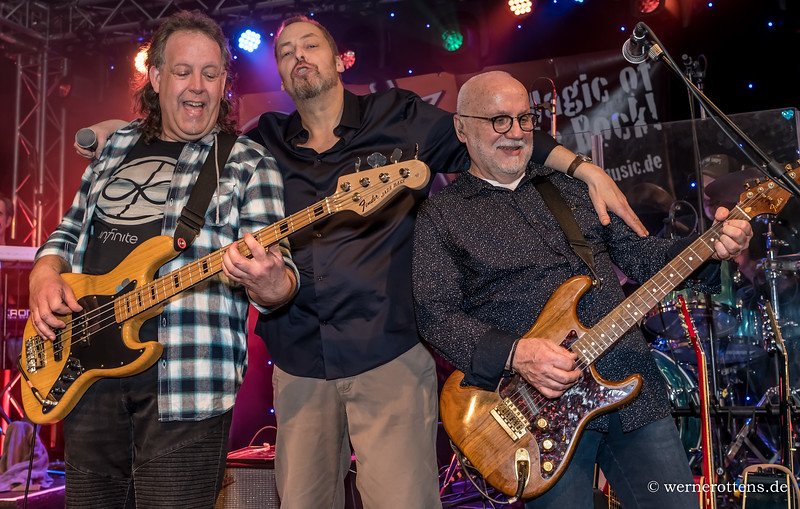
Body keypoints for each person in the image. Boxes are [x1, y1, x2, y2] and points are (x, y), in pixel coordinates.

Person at [78, 16, 649, 508]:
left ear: (339, 59)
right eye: (285, 52)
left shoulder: (399, 116)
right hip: (298, 363)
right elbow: (187, 136)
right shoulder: (262, 141)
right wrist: (115, 133)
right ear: (279, 75)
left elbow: (493, 136)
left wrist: (582, 167)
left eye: (311, 45)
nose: (299, 56)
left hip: (387, 356)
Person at [412, 71, 753, 508]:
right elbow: (436, 316)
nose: (515, 133)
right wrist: (518, 354)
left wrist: (711, 247)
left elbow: (640, 257)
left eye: (524, 119)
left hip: (630, 389)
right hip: (535, 415)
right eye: (499, 120)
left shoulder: (572, 187)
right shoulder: (441, 216)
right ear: (462, 128)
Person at [28, 11, 298, 508]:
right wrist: (44, 274)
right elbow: (68, 231)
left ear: (224, 83)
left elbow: (279, 284)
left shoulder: (248, 162)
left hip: (186, 390)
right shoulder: (116, 147)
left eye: (211, 74)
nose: (197, 86)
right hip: (87, 380)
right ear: (155, 77)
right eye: (183, 71)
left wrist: (270, 280)